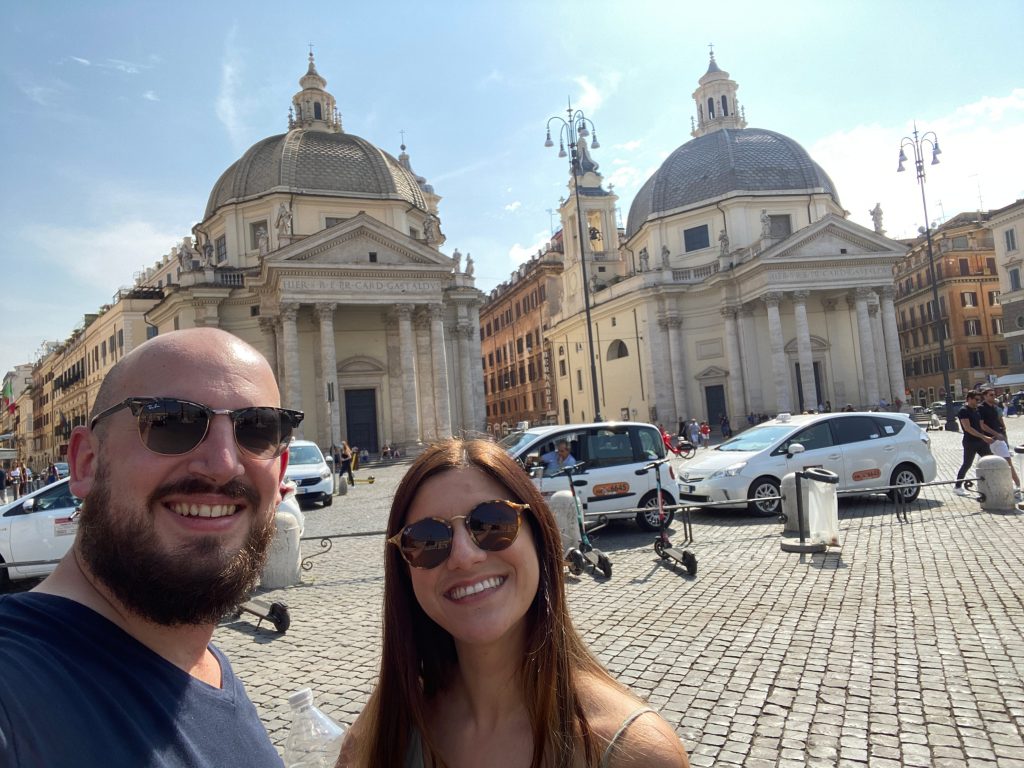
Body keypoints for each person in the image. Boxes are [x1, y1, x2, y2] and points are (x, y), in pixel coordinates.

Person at [0, 327, 301, 766]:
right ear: (86, 462)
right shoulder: (15, 683)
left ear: (280, 474)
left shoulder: (203, 662)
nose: (221, 464)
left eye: (257, 429)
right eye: (171, 421)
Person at [339, 439, 689, 767]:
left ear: (538, 537)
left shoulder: (635, 753)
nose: (464, 556)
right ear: (405, 571)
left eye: (493, 522)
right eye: (427, 539)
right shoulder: (385, 729)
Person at [978, 388, 1021, 497]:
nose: (994, 397)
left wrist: (1002, 430)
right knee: (987, 465)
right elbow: (982, 425)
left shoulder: (994, 407)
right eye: (991, 395)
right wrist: (995, 434)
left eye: (994, 394)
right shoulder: (981, 408)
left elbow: (998, 420)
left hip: (999, 439)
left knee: (1008, 462)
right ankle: (989, 489)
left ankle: (1017, 486)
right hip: (988, 440)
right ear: (985, 396)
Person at [954, 390, 994, 496]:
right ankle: (957, 486)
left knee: (991, 460)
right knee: (967, 464)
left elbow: (981, 425)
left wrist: (992, 434)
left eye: (979, 400)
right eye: (976, 400)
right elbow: (968, 428)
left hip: (981, 441)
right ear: (969, 399)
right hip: (970, 442)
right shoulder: (963, 411)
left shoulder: (976, 410)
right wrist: (984, 437)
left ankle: (992, 483)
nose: (978, 402)